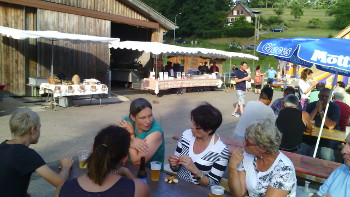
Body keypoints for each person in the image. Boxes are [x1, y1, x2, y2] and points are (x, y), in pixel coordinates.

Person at [58, 125, 150, 197]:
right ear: (125, 158)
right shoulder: (139, 188)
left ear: (93, 150)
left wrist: (65, 169)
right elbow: (136, 186)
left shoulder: (63, 188)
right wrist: (127, 173)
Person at [0, 110, 74, 197]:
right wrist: (65, 167)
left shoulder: (3, 145)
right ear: (33, 129)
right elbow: (60, 183)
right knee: (60, 190)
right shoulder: (26, 154)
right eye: (39, 127)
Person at [228, 118, 297, 197]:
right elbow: (239, 194)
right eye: (245, 138)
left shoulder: (284, 169)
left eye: (248, 142)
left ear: (263, 148)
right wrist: (232, 167)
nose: (243, 143)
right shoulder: (247, 156)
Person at [168, 103, 229, 186]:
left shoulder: (221, 151)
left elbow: (212, 185)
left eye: (197, 126)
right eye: (192, 122)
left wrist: (195, 170)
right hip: (178, 187)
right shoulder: (186, 135)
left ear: (209, 130)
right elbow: (176, 168)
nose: (191, 127)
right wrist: (173, 164)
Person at [119, 98, 165, 170]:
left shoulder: (156, 133)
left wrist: (131, 135)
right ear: (132, 117)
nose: (148, 121)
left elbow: (137, 161)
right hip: (126, 170)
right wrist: (131, 141)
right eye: (142, 118)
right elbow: (115, 145)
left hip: (149, 175)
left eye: (150, 116)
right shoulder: (127, 122)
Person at [305, 88, 340, 161]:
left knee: (326, 155)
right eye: (322, 96)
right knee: (308, 152)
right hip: (313, 135)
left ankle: (331, 170)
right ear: (318, 96)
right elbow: (307, 121)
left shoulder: (334, 108)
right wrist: (316, 109)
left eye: (326, 96)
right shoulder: (311, 105)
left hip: (329, 137)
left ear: (330, 97)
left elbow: (331, 126)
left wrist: (321, 111)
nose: (324, 98)